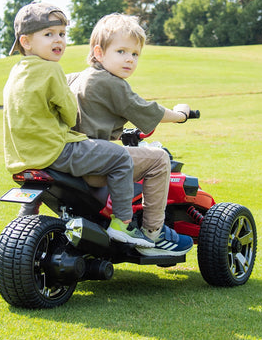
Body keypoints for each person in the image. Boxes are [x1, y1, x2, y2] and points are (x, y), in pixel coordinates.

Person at [3, 2, 154, 248]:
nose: (58, 40)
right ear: (27, 42)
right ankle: (123, 223)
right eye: (49, 34)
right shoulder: (51, 70)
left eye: (62, 34)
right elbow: (70, 113)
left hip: (24, 155)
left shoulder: (17, 71)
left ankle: (23, 223)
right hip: (56, 151)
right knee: (120, 157)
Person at [67, 13, 193, 256]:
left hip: (72, 156)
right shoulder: (112, 83)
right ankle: (153, 233)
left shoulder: (77, 77)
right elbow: (145, 110)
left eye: (135, 54)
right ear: (99, 52)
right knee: (158, 160)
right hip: (94, 162)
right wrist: (180, 115)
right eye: (122, 51)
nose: (130, 59)